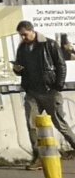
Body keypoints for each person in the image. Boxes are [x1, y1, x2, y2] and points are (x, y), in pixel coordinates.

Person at [13, 20, 75, 156]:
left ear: (32, 31)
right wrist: (17, 69)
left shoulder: (49, 44)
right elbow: (19, 67)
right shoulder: (22, 48)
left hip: (50, 90)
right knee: (32, 125)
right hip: (32, 92)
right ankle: (38, 156)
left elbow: (61, 65)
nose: (23, 38)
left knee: (60, 123)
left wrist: (58, 86)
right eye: (21, 35)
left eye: (25, 34)